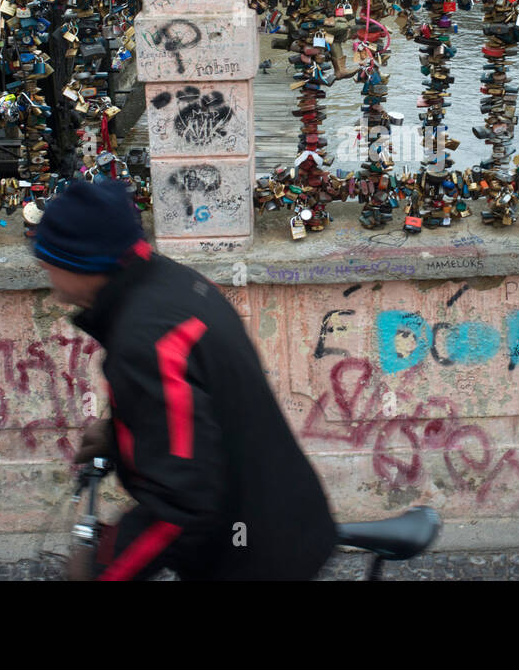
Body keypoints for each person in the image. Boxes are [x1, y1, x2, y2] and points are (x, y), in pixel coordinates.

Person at [33, 178, 336, 580]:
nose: (48, 277)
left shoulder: (144, 340)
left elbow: (180, 505)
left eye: (49, 263)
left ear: (80, 262)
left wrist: (105, 565)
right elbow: (193, 399)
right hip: (287, 513)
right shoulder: (176, 285)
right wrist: (120, 427)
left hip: (253, 557)